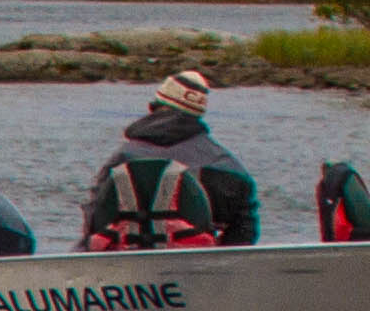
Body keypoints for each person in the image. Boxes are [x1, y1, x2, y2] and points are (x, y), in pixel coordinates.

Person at [82, 67, 260, 249]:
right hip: (195, 268)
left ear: (155, 108)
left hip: (123, 269)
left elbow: (94, 220)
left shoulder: (121, 158)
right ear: (198, 115)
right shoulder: (223, 164)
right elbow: (244, 233)